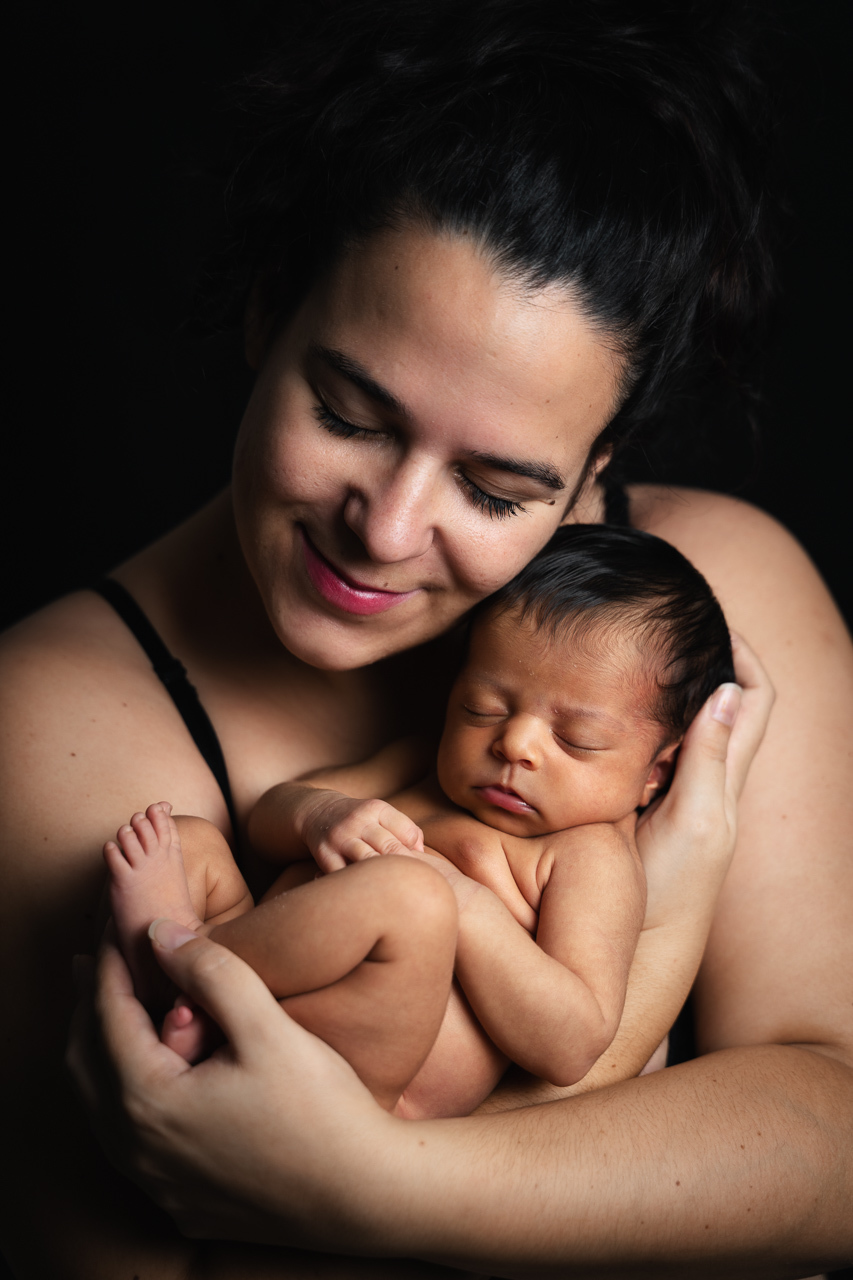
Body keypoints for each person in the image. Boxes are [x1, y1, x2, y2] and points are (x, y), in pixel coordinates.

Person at [3, 1, 852, 1276]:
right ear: (268, 316)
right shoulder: (52, 719)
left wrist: (388, 1187)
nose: (387, 529)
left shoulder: (714, 605)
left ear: (591, 470)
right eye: (349, 411)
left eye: (501, 491)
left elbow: (835, 1138)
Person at [103, 525, 736, 1116]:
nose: (516, 744)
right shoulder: (425, 766)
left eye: (576, 740)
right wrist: (320, 815)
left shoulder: (589, 856)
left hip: (365, 1069)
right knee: (190, 840)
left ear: (654, 773)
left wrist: (457, 898)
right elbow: (267, 818)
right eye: (483, 707)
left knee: (411, 899)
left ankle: (185, 970)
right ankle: (200, 988)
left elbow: (571, 1044)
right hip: (271, 957)